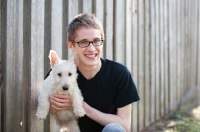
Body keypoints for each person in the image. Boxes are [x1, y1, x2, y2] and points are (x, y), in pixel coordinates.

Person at [49, 13, 140, 132]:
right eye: (83, 42)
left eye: (96, 41)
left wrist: (80, 106)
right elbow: (47, 109)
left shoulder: (119, 74)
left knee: (113, 129)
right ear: (71, 45)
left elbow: (124, 125)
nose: (91, 49)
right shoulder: (60, 73)